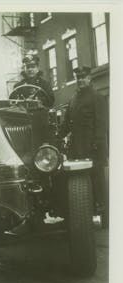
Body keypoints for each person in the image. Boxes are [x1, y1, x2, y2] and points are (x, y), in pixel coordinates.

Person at [60, 65, 108, 213]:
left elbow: (102, 122)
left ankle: (102, 208)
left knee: (96, 177)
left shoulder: (97, 97)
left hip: (93, 145)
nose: (80, 80)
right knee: (80, 179)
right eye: (78, 78)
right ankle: (85, 210)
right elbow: (67, 123)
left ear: (89, 78)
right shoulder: (73, 98)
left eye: (83, 77)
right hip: (77, 147)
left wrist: (98, 142)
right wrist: (57, 136)